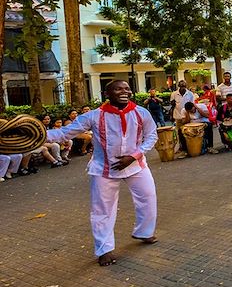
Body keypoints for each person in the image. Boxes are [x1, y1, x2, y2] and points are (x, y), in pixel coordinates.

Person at [46, 80, 158, 266]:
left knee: (148, 197)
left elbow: (152, 135)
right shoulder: (94, 116)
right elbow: (65, 133)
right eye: (118, 89)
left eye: (127, 88)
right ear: (108, 94)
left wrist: (134, 156)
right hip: (103, 168)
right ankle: (104, 250)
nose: (124, 92)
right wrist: (38, 135)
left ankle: (145, 233)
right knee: (102, 210)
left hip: (136, 165)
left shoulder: (141, 113)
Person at [170, 80, 195, 156]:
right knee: (180, 133)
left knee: (188, 132)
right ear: (179, 86)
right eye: (181, 86)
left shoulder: (190, 94)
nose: (183, 88)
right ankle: (182, 148)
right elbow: (172, 105)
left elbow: (192, 105)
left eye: (184, 86)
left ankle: (190, 147)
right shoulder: (174, 94)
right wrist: (171, 115)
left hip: (187, 116)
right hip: (178, 116)